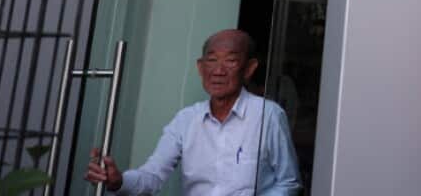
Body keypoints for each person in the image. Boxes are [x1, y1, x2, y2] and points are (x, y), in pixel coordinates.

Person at [85, 30, 301, 195]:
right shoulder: (186, 120)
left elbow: (289, 182)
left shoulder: (267, 115)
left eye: (231, 60)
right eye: (212, 60)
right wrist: (118, 181)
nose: (218, 70)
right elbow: (152, 176)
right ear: (200, 67)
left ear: (249, 68)